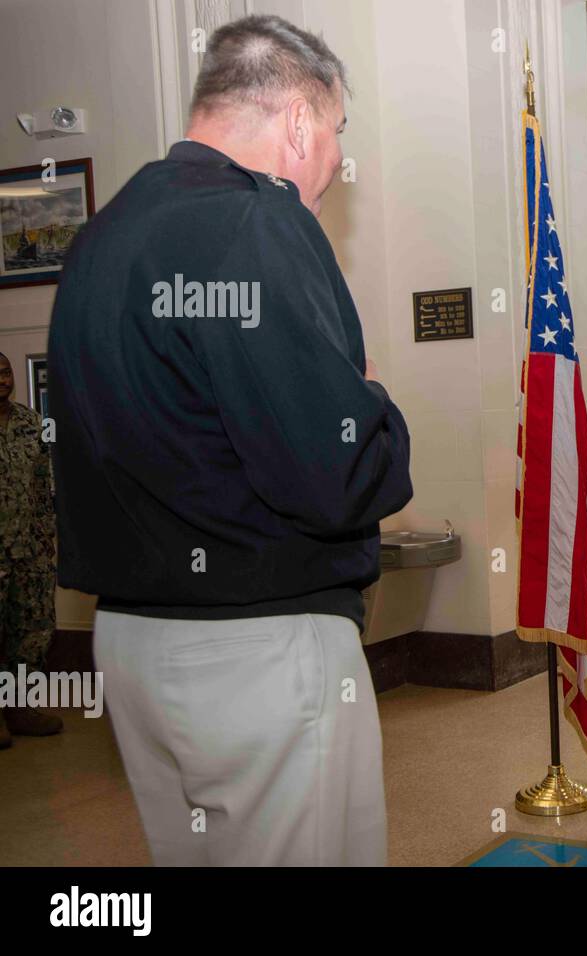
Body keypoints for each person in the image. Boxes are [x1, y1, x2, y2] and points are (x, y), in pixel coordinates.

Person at [47, 15, 412, 865]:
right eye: (335, 134)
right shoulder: (258, 223)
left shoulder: (99, 239)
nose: (333, 163)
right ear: (296, 121)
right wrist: (379, 407)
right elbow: (337, 469)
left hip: (133, 641)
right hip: (261, 649)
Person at [0, 351, 62, 749]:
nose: (2, 379)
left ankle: (18, 707)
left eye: (5, 372)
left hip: (31, 549)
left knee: (33, 630)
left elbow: (45, 485)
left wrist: (47, 539)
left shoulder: (32, 423)